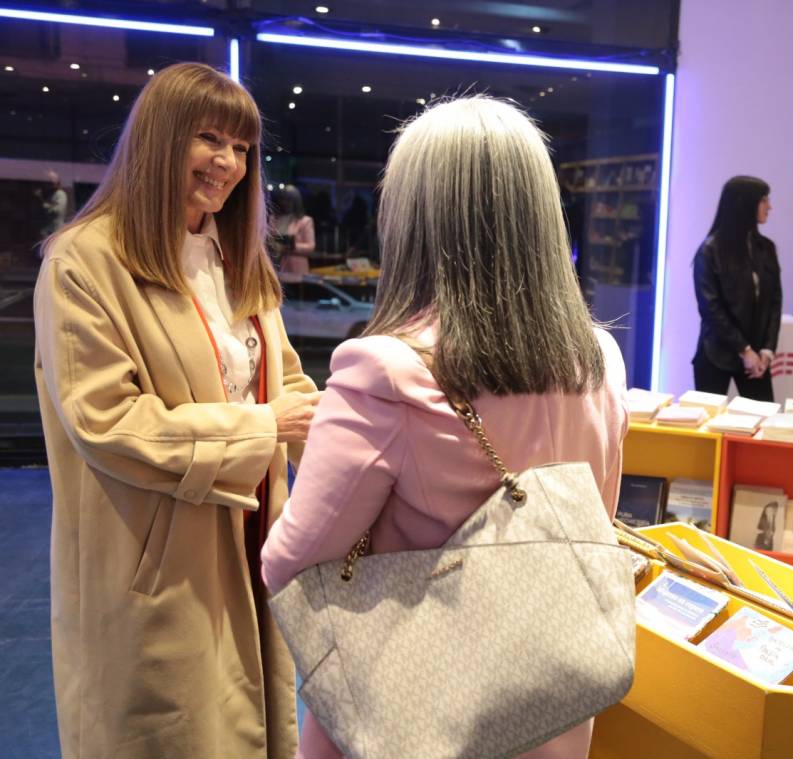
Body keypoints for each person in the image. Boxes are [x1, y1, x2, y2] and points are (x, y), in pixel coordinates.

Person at [260, 96, 629, 759]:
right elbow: (594, 518)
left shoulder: (386, 370)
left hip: (420, 707)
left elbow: (290, 559)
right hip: (554, 704)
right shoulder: (600, 359)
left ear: (414, 219)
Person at [33, 63, 320, 758]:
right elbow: (109, 422)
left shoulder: (238, 257)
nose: (228, 162)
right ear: (162, 140)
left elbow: (291, 388)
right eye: (210, 138)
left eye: (242, 147)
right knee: (170, 731)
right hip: (157, 566)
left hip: (255, 543)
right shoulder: (84, 262)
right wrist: (263, 427)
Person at [692, 176, 781, 401]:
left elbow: (774, 304)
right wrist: (744, 349)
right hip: (716, 353)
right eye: (764, 200)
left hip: (758, 358)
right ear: (745, 203)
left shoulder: (766, 248)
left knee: (763, 425)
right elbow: (710, 308)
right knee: (709, 425)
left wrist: (767, 351)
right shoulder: (710, 250)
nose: (769, 206)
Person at [270, 184, 316, 274]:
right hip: (274, 266)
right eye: (282, 199)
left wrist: (291, 246)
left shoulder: (305, 221)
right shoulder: (273, 218)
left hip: (295, 270)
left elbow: (310, 247)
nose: (284, 203)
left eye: (288, 200)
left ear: (296, 201)